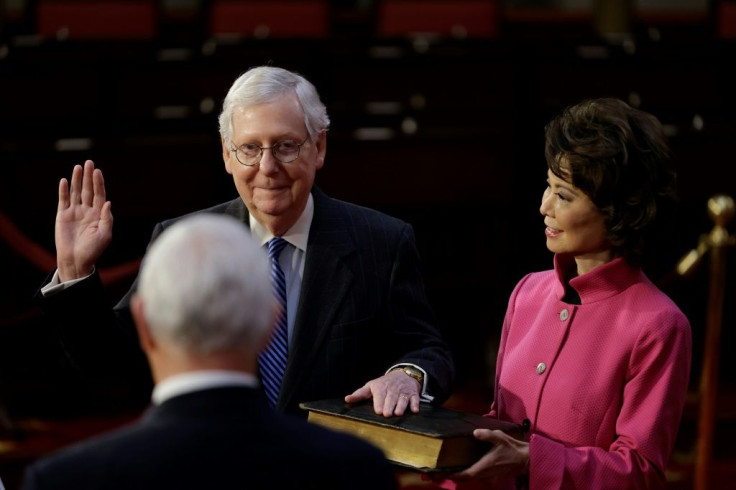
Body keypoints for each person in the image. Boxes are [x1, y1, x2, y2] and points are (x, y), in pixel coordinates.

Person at [38, 65, 454, 418]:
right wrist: (75, 273)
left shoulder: (382, 241)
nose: (267, 167)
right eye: (250, 149)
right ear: (225, 154)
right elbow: (114, 372)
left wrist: (407, 374)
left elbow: (426, 348)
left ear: (320, 146)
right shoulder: (183, 243)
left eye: (286, 146)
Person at [23, 214, 399, 490]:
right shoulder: (357, 470)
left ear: (144, 324)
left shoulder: (64, 480)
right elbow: (106, 361)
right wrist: (73, 272)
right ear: (271, 324)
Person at [438, 98, 692, 489]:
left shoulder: (659, 324)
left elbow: (641, 472)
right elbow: (498, 424)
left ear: (616, 209)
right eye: (548, 186)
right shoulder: (527, 292)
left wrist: (531, 460)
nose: (544, 207)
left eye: (564, 195)